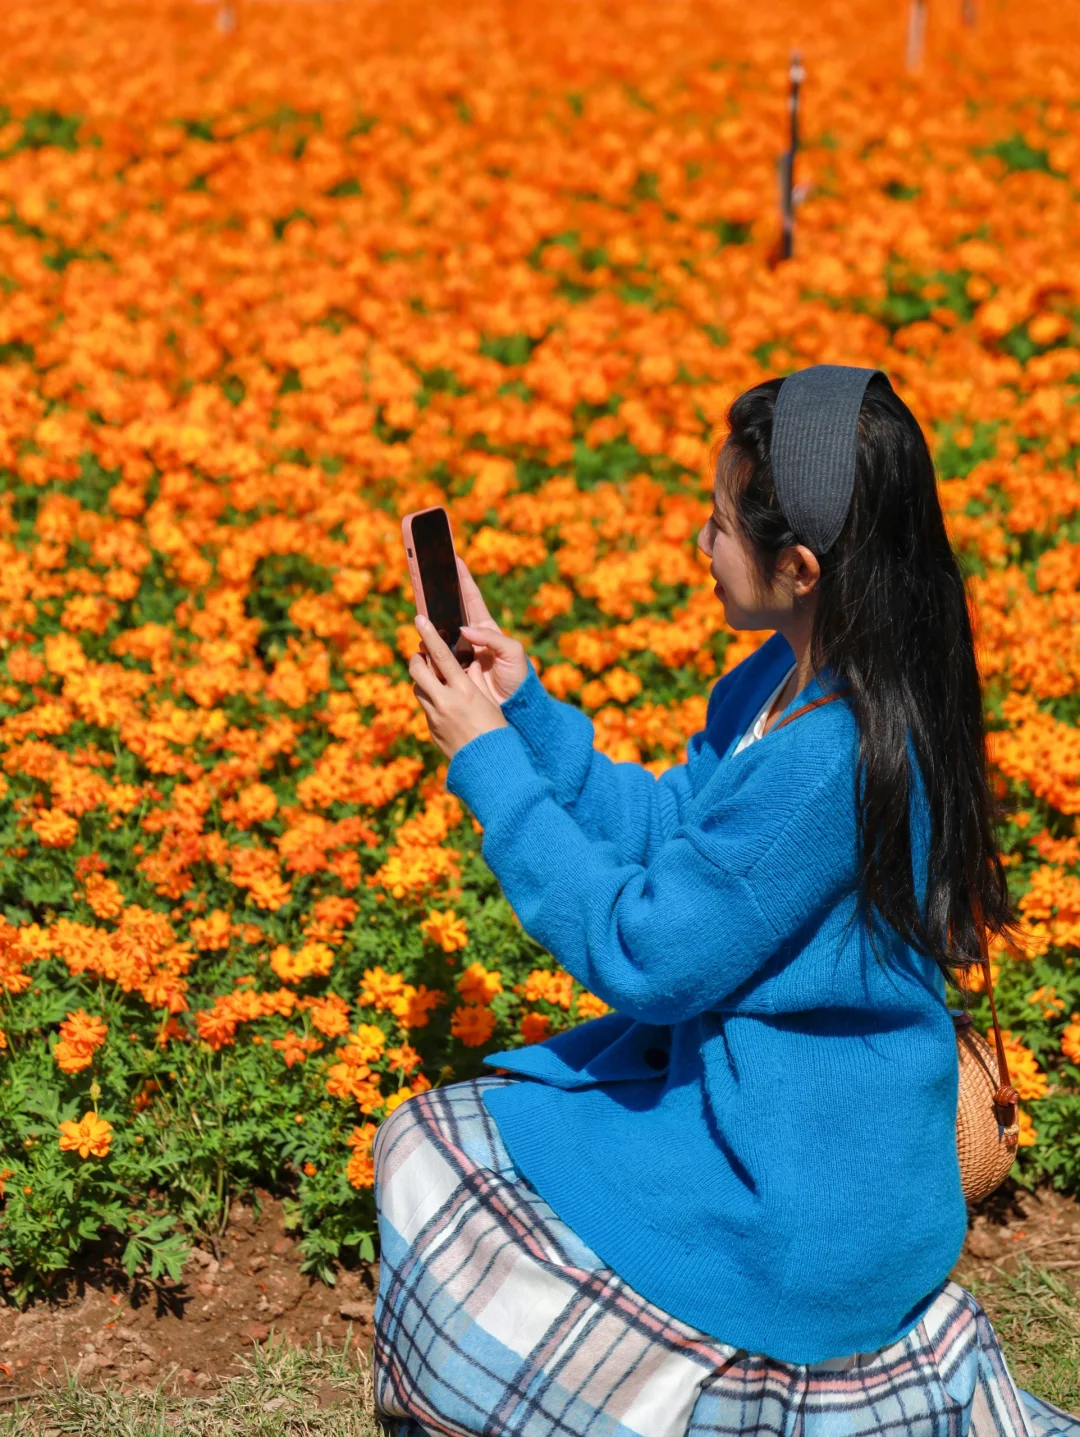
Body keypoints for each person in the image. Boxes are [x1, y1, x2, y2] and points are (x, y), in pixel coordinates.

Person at [371, 366, 1080, 1437]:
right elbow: (678, 835)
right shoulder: (799, 678)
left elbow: (645, 951)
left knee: (431, 1157)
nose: (698, 542)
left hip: (796, 1197)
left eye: (717, 523)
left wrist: (489, 766)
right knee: (449, 1142)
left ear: (800, 567)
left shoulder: (826, 760)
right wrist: (520, 711)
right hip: (780, 1122)